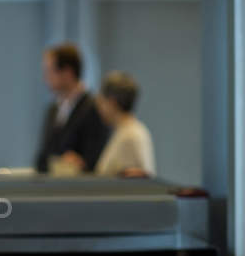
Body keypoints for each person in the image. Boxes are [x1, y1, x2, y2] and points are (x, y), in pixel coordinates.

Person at [35, 43, 110, 175]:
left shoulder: (94, 108)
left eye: (49, 71)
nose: (45, 78)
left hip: (79, 190)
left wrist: (79, 163)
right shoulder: (53, 110)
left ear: (68, 72)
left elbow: (96, 160)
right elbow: (42, 158)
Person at [95, 71, 156, 177]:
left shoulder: (131, 135)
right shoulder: (125, 131)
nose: (99, 107)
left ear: (112, 102)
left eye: (101, 100)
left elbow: (142, 179)